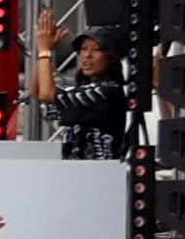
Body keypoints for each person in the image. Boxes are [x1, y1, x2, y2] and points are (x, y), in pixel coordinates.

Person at [33, 14, 131, 160]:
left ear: (111, 57)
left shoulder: (107, 92)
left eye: (96, 49)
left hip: (98, 175)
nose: (87, 55)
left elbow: (47, 94)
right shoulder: (84, 88)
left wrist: (44, 51)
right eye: (83, 49)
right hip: (77, 172)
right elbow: (37, 91)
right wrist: (46, 52)